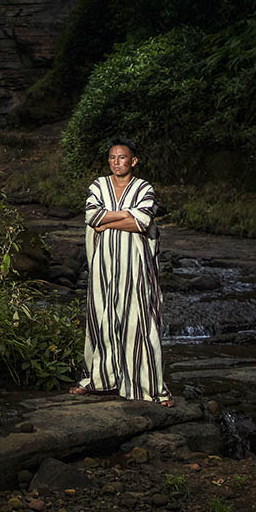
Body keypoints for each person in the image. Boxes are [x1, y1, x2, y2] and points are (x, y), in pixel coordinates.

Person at [73, 139, 171, 403]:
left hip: (136, 267)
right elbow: (91, 217)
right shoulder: (98, 185)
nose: (117, 162)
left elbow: (142, 221)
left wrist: (107, 221)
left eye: (123, 158)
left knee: (139, 322)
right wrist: (124, 215)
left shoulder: (143, 187)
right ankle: (101, 379)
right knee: (102, 319)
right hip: (103, 267)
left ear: (133, 161)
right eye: (113, 158)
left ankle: (149, 388)